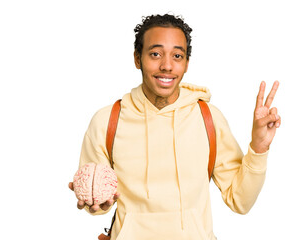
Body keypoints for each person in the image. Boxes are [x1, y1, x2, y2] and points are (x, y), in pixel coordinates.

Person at [69, 14, 281, 240]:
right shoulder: (107, 121)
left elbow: (240, 201)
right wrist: (98, 203)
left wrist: (259, 147)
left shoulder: (208, 118)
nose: (167, 65)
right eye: (155, 54)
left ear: (187, 63)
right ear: (137, 59)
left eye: (177, 56)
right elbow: (100, 203)